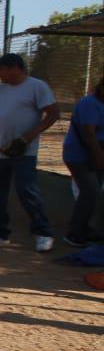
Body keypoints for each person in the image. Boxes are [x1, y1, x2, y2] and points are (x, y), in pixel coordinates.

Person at [0, 52, 60, 252]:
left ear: (15, 68)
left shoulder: (37, 87)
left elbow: (53, 114)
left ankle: (43, 232)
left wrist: (28, 137)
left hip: (23, 151)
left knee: (27, 190)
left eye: (1, 69)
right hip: (1, 150)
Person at [62, 76, 104, 246]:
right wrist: (99, 156)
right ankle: (74, 233)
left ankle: (85, 228)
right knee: (90, 190)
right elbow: (89, 134)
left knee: (94, 191)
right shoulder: (89, 103)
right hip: (80, 155)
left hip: (98, 153)